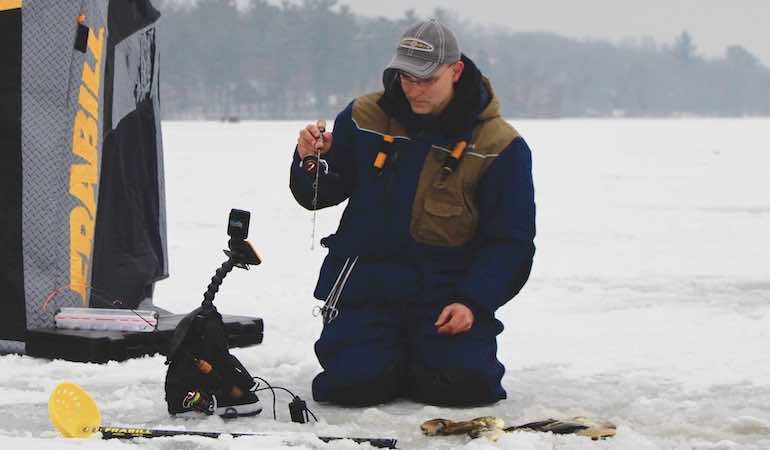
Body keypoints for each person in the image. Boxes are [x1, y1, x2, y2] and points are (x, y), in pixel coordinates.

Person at [289, 18, 535, 407]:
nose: (414, 89)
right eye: (406, 78)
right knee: (352, 387)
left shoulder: (501, 146)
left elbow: (511, 243)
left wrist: (473, 302)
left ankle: (422, 356)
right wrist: (308, 161)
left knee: (463, 387)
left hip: (446, 295)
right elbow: (317, 195)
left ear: (455, 71)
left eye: (427, 79)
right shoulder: (362, 117)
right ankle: (383, 356)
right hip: (367, 288)